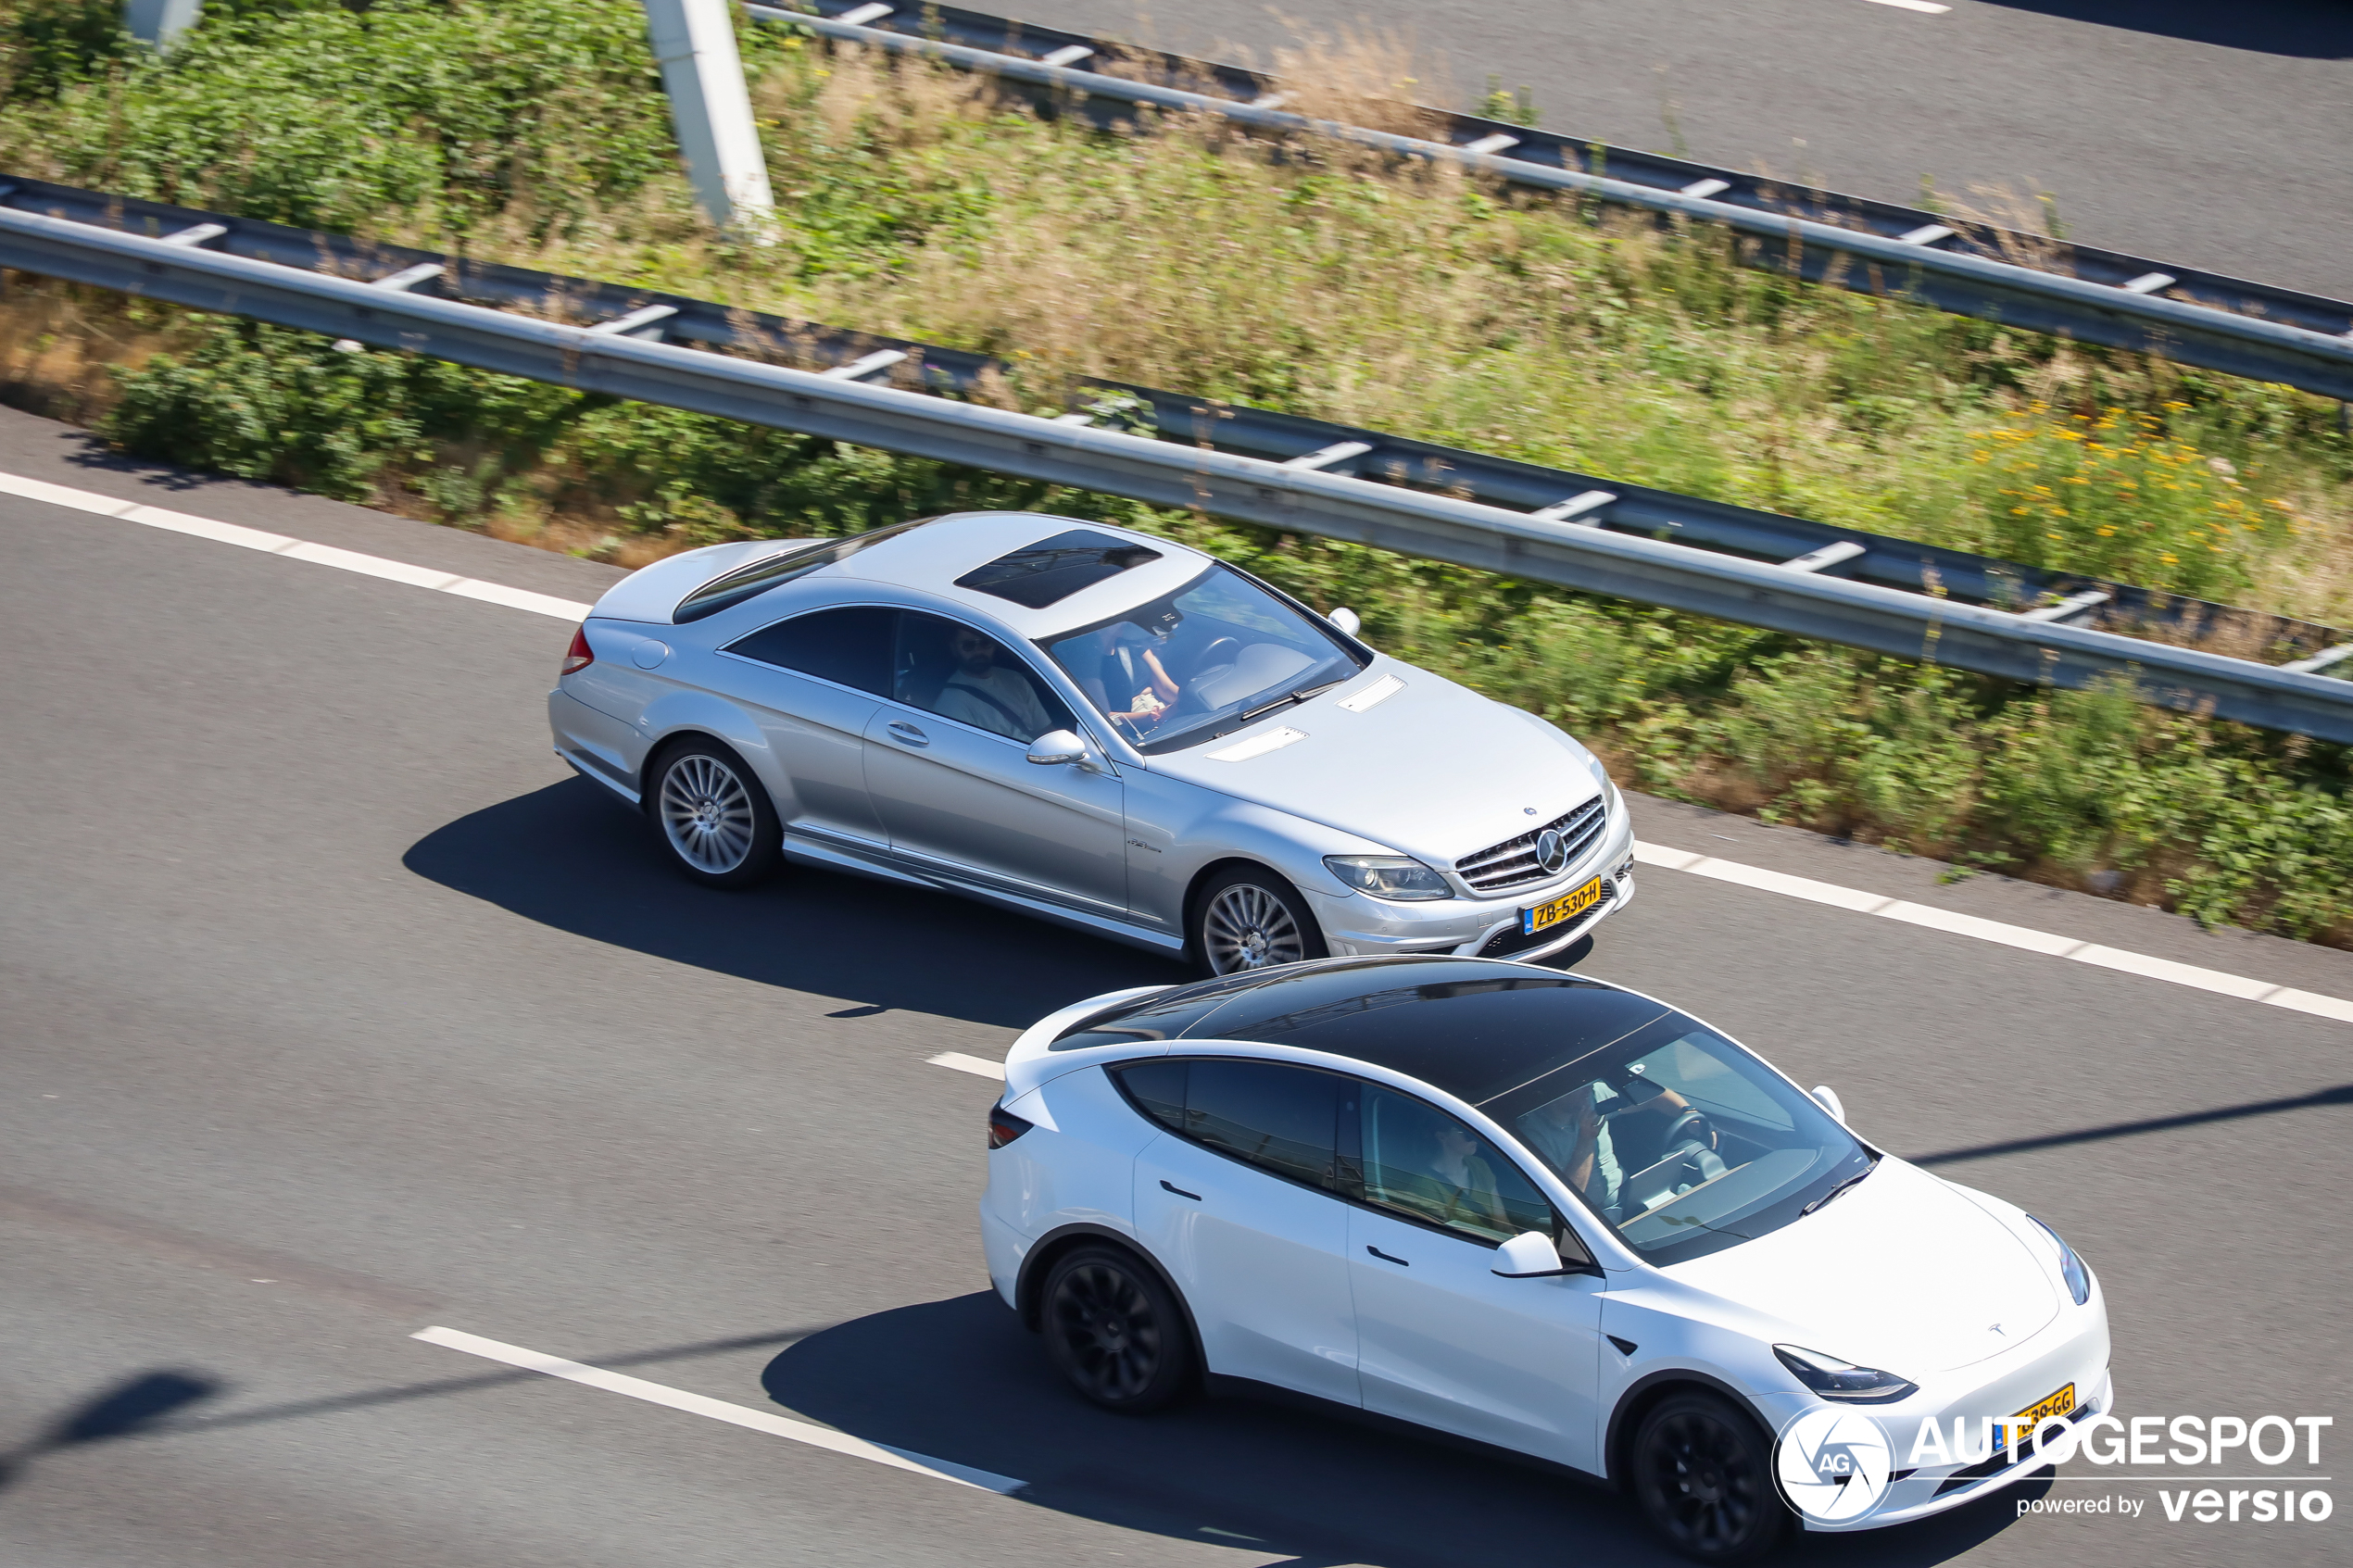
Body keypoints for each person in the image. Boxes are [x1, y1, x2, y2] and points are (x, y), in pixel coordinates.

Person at [1519, 1073, 1694, 1221]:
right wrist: (1586, 1140)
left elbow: (1651, 1097)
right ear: (1553, 1093)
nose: (1587, 1089)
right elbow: (1565, 1200)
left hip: (1632, 1196)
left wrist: (1688, 1112)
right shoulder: (1535, 1137)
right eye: (1578, 1086)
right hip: (1592, 1217)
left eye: (1589, 1082)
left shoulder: (1592, 1096)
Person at [934, 626, 1053, 741]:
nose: (979, 651)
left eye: (985, 643)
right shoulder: (951, 702)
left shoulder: (1015, 679)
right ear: (954, 649)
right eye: (968, 645)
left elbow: (1046, 730)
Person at [1088, 621, 1179, 733]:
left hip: (1159, 706)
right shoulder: (1089, 664)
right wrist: (1159, 715)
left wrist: (1184, 699)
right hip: (1134, 723)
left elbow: (1165, 687)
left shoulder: (1135, 645)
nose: (1124, 622)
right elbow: (1106, 716)